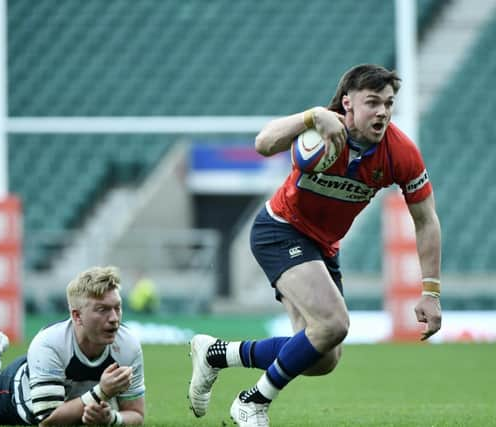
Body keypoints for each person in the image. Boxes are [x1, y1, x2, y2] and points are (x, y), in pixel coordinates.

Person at [188, 64, 442, 426]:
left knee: (322, 358)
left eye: (389, 103)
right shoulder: (321, 131)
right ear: (347, 104)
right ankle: (253, 401)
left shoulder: (400, 152)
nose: (383, 111)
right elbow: (263, 144)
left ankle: (217, 354)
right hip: (280, 230)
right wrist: (312, 116)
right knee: (334, 323)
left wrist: (430, 291)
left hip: (323, 247)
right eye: (373, 102)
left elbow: (426, 219)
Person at [0, 266, 145, 426]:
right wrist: (102, 392)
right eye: (102, 309)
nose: (114, 319)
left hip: (61, 384)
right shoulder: (50, 343)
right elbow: (48, 421)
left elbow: (136, 414)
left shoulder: (127, 345)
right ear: (77, 316)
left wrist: (113, 419)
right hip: (19, 395)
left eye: (117, 307)